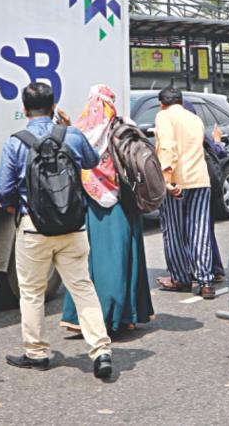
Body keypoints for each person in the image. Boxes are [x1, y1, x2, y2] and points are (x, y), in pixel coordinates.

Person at [0, 82, 113, 379]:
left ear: (24, 109)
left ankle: (36, 353)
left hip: (34, 229)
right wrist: (69, 127)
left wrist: (12, 206)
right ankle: (101, 350)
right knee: (82, 287)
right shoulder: (70, 135)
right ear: (53, 105)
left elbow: (2, 187)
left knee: (32, 292)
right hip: (73, 226)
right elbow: (92, 161)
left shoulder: (15, 142)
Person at [59, 84, 155, 334]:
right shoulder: (125, 128)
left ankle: (92, 318)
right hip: (124, 202)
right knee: (123, 258)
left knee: (92, 262)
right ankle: (126, 315)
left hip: (94, 205)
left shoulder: (83, 133)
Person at [153, 87, 215, 299]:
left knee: (174, 231)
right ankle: (205, 281)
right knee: (200, 231)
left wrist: (167, 180)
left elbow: (167, 148)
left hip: (177, 182)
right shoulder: (194, 118)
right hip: (200, 179)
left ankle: (180, 277)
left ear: (162, 103)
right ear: (181, 101)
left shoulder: (163, 116)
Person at [182, 99, 226, 282]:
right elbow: (218, 151)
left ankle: (204, 269)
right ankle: (213, 268)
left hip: (187, 184)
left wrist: (216, 142)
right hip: (203, 184)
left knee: (195, 227)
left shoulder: (179, 128)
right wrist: (217, 141)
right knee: (203, 227)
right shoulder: (196, 126)